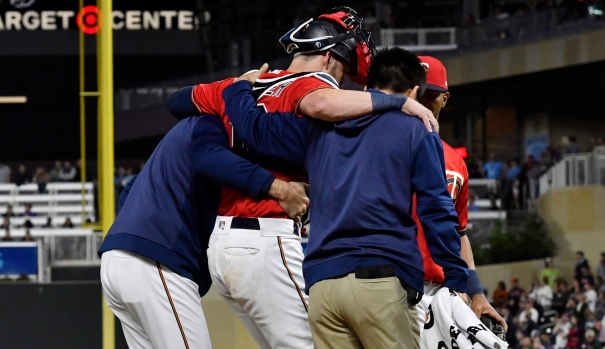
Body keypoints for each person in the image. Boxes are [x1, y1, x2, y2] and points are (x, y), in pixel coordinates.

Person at [166, 7, 437, 349]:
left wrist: (235, 92)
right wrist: (394, 102)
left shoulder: (246, 84)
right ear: (327, 58)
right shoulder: (316, 84)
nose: (343, 80)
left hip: (222, 244)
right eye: (344, 69)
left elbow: (177, 101)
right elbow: (323, 103)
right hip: (268, 235)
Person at [221, 47, 470, 349]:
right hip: (381, 280)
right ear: (413, 92)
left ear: (366, 88)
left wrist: (237, 89)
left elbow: (254, 129)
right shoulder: (416, 129)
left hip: (323, 288)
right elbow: (436, 211)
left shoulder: (317, 129)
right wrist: (460, 278)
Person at [98, 113, 308, 348]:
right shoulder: (211, 126)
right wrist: (276, 187)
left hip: (116, 259)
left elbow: (128, 194)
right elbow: (208, 158)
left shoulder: (184, 131)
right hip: (156, 261)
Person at [413, 55, 506, 329]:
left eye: (431, 95)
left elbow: (460, 234)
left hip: (444, 291)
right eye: (418, 94)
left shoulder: (455, 162)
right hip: (394, 283)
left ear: (445, 98)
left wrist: (476, 293)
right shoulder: (384, 148)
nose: (423, 102)